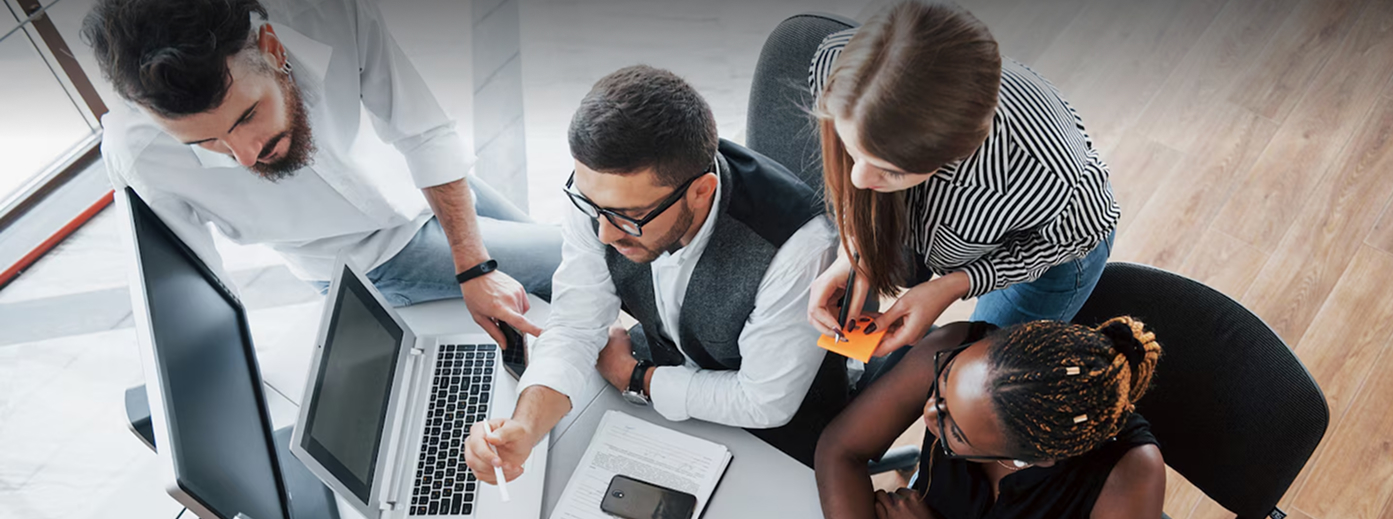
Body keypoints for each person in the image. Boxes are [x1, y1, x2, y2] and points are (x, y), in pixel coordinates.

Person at [84, 0, 560, 343]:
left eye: (247, 116)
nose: (244, 156)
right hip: (370, 260)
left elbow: (423, 131)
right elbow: (199, 290)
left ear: (271, 48)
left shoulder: (327, 12)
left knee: (580, 266)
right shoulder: (138, 153)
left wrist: (473, 266)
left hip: (424, 185)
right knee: (587, 256)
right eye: (205, 142)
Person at [465, 65, 846, 481]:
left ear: (702, 192)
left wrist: (637, 378)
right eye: (594, 207)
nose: (605, 233)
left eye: (630, 218)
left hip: (776, 435)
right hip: (665, 387)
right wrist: (525, 427)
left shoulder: (799, 248)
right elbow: (575, 325)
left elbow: (766, 401)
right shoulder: (602, 198)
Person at [806, 0, 1120, 358]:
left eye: (891, 169)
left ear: (960, 152)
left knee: (980, 364)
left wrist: (957, 284)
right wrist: (853, 252)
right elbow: (861, 185)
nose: (857, 179)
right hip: (954, 231)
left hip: (1050, 250)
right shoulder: (836, 67)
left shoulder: (1048, 171)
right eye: (852, 150)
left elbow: (1085, 229)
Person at [815, 318, 1165, 519]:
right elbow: (841, 449)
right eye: (945, 382)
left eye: (957, 435)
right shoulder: (955, 346)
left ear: (1036, 459)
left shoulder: (1129, 472)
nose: (929, 415)